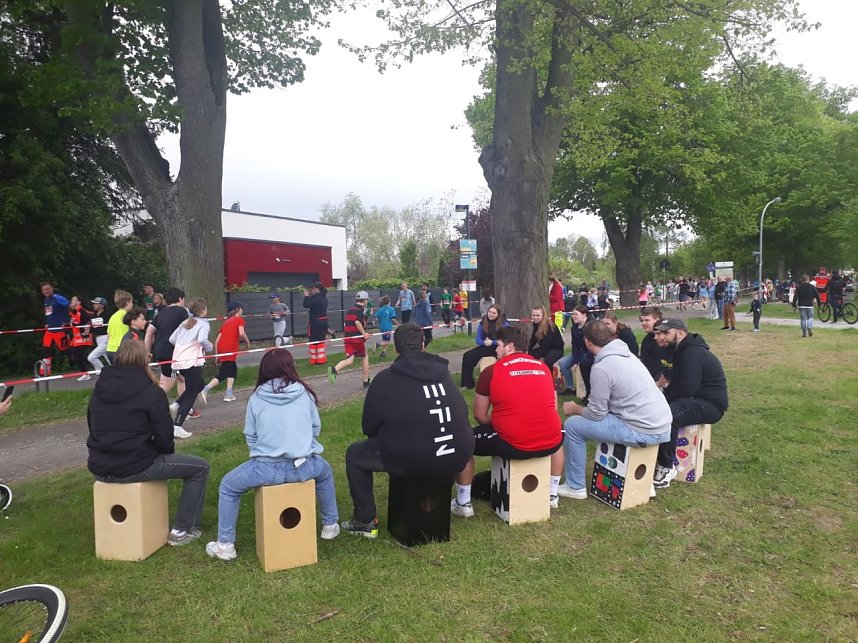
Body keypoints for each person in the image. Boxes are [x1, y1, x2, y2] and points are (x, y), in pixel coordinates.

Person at [341, 324, 474, 537]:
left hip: (416, 457)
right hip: (457, 455)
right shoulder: (444, 374)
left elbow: (369, 427)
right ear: (423, 345)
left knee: (355, 454)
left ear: (395, 349)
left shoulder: (385, 379)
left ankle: (365, 521)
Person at [206, 350, 340, 560]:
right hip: (304, 465)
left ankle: (225, 544)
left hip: (265, 468)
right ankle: (330, 524)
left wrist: (263, 452)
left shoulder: (257, 396)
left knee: (228, 486)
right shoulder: (305, 393)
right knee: (325, 472)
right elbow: (315, 428)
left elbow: (251, 434)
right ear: (290, 366)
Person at [86, 340, 209, 546]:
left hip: (99, 465)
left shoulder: (99, 389)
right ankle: (183, 530)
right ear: (145, 360)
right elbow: (165, 439)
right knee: (200, 468)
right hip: (134, 464)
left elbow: (92, 424)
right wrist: (154, 450)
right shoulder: (152, 392)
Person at [452, 326, 564, 515]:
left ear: (510, 347)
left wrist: (498, 428)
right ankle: (552, 494)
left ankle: (463, 503)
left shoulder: (491, 371)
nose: (496, 350)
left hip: (513, 442)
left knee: (462, 441)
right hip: (551, 442)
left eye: (499, 346)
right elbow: (552, 407)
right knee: (558, 431)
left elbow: (479, 414)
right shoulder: (544, 367)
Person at [557, 321, 672, 499]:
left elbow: (596, 414)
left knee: (573, 426)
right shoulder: (629, 356)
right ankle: (643, 483)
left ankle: (575, 486)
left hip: (642, 429)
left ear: (587, 342)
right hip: (663, 425)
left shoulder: (602, 367)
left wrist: (575, 408)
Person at [652, 318, 728, 489]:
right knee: (662, 409)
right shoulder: (680, 350)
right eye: (658, 333)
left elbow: (687, 388)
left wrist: (663, 402)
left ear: (679, 333)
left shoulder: (692, 353)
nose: (660, 337)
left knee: (667, 416)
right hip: (696, 398)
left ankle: (666, 467)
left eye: (665, 333)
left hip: (710, 404)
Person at [169, 298, 213, 437]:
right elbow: (201, 340)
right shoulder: (204, 324)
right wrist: (209, 347)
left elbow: (171, 339)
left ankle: (176, 404)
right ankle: (177, 426)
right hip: (191, 361)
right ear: (203, 310)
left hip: (179, 360)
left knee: (198, 383)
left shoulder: (185, 322)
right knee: (192, 393)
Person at [201, 301, 251, 403]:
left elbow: (217, 340)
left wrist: (217, 355)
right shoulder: (239, 320)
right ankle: (222, 393)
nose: (243, 310)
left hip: (222, 348)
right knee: (230, 370)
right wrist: (247, 341)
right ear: (237, 310)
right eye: (241, 308)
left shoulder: (226, 322)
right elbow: (241, 332)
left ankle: (222, 392)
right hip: (230, 348)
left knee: (226, 371)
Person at [144, 287, 189, 395]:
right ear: (180, 298)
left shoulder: (160, 314)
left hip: (161, 352)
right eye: (184, 299)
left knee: (180, 378)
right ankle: (154, 404)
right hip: (176, 353)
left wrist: (146, 351)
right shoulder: (183, 312)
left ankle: (184, 407)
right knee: (171, 381)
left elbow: (149, 331)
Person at [329, 291, 372, 388]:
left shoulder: (350, 310)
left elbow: (348, 323)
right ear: (364, 301)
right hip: (356, 339)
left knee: (349, 360)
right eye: (366, 301)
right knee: (365, 356)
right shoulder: (359, 311)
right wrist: (364, 334)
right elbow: (357, 322)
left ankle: (334, 369)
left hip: (348, 338)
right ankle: (366, 381)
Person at [459, 304, 508, 389]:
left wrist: (492, 342)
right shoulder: (483, 321)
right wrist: (485, 343)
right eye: (490, 312)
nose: (491, 314)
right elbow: (478, 340)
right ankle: (467, 384)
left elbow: (505, 340)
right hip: (485, 346)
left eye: (494, 313)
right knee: (468, 356)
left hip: (498, 348)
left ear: (498, 315)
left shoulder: (504, 324)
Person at [556, 305, 592, 398]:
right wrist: (575, 361)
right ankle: (570, 387)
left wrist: (579, 360)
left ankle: (587, 390)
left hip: (591, 352)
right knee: (563, 363)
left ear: (584, 315)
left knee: (584, 361)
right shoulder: (574, 328)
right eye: (572, 314)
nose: (573, 316)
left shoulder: (591, 326)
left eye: (576, 314)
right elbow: (575, 346)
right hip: (579, 352)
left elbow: (593, 345)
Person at [39, 282, 70, 376]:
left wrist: (69, 321)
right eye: (44, 290)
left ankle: (86, 365)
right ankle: (43, 373)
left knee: (66, 351)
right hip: (50, 330)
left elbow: (71, 307)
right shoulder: (46, 300)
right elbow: (50, 314)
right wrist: (48, 324)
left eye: (48, 289)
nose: (46, 291)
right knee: (45, 350)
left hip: (59, 330)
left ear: (52, 289)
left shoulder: (58, 298)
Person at [638, 307, 672, 388]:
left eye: (647, 320)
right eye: (642, 321)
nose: (643, 323)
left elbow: (669, 365)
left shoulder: (666, 340)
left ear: (657, 320)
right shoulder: (647, 339)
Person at [68, 296, 94, 381]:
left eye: (73, 300)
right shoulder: (74, 312)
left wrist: (84, 333)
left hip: (83, 338)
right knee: (74, 355)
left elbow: (87, 324)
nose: (71, 301)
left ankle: (85, 373)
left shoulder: (82, 312)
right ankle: (85, 371)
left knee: (77, 355)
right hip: (76, 338)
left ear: (79, 302)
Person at [303, 282, 330, 365]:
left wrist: (306, 296)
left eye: (313, 289)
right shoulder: (324, 298)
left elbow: (306, 305)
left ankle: (314, 360)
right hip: (324, 322)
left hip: (315, 322)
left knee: (313, 341)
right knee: (321, 341)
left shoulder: (316, 299)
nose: (312, 291)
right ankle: (321, 359)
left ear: (317, 289)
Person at [106, 290, 134, 363]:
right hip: (121, 350)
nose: (132, 304)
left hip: (110, 349)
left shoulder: (113, 317)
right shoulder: (127, 316)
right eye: (131, 302)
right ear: (127, 303)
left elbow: (108, 335)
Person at [87, 296, 111, 373]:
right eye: (94, 304)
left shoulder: (107, 314)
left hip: (106, 337)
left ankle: (105, 372)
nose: (94, 305)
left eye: (96, 304)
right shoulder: (94, 314)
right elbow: (93, 327)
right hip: (98, 338)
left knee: (92, 357)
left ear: (102, 305)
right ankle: (114, 372)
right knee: (109, 358)